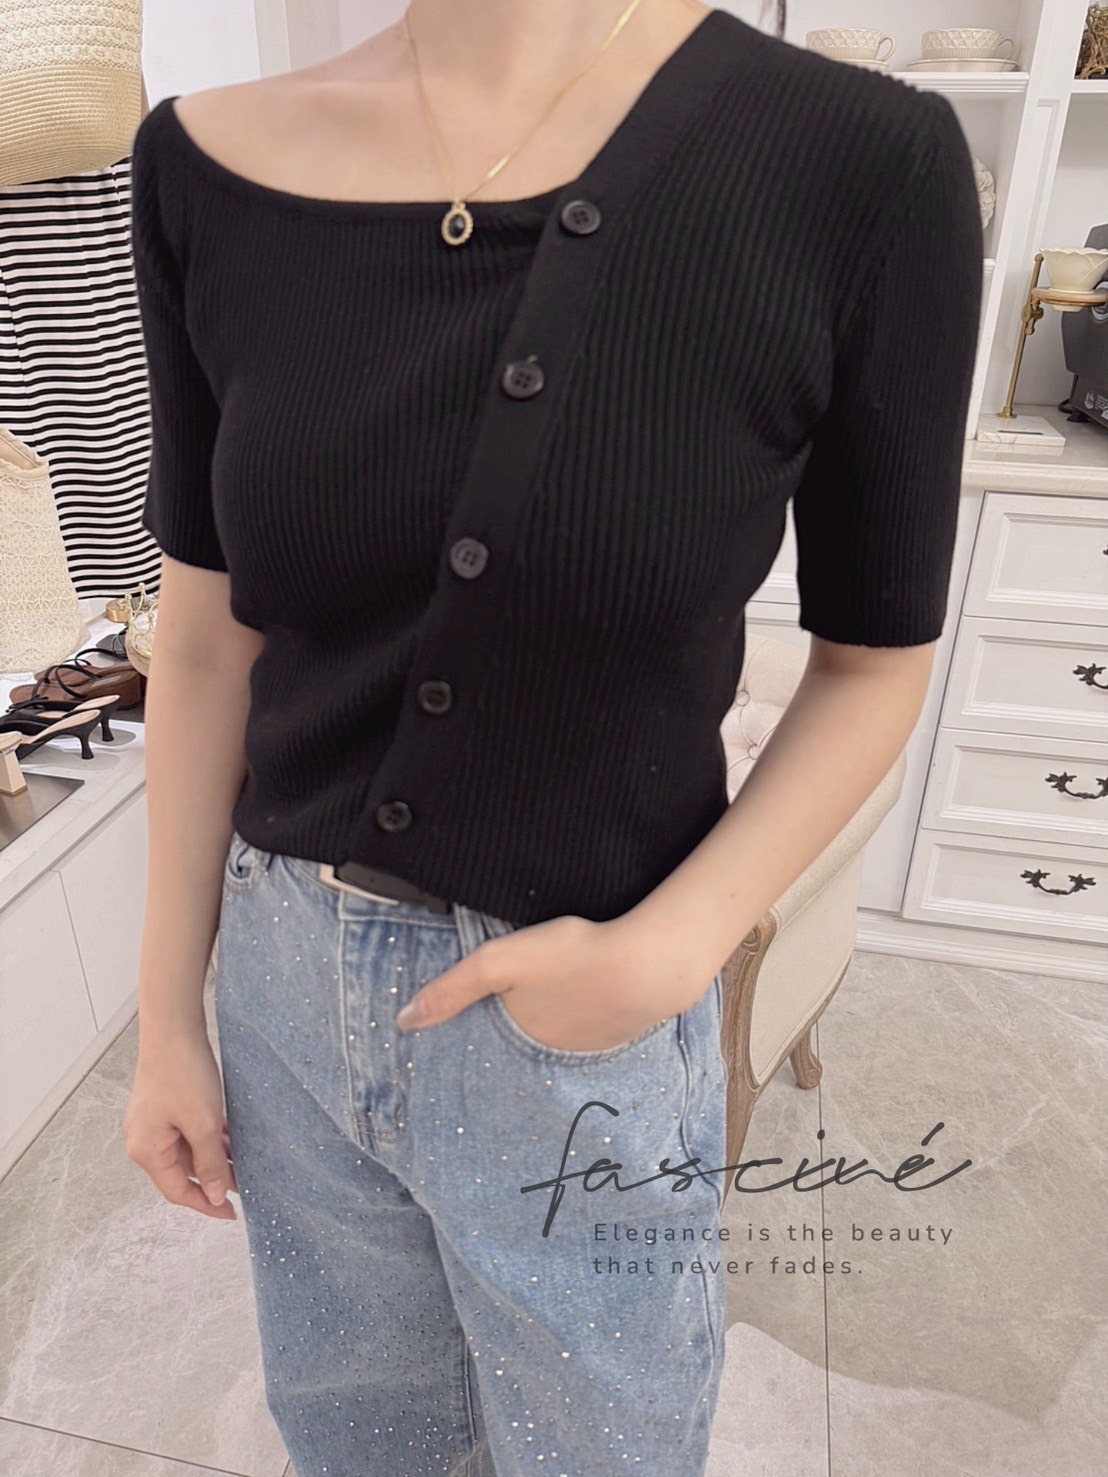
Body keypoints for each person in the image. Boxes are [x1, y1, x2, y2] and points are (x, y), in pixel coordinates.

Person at [123, 2, 983, 1473]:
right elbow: (206, 641)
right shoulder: (204, 167)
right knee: (358, 1443)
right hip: (281, 992)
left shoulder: (862, 163)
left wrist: (671, 950)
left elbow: (873, 662)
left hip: (585, 1014)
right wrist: (165, 1024)